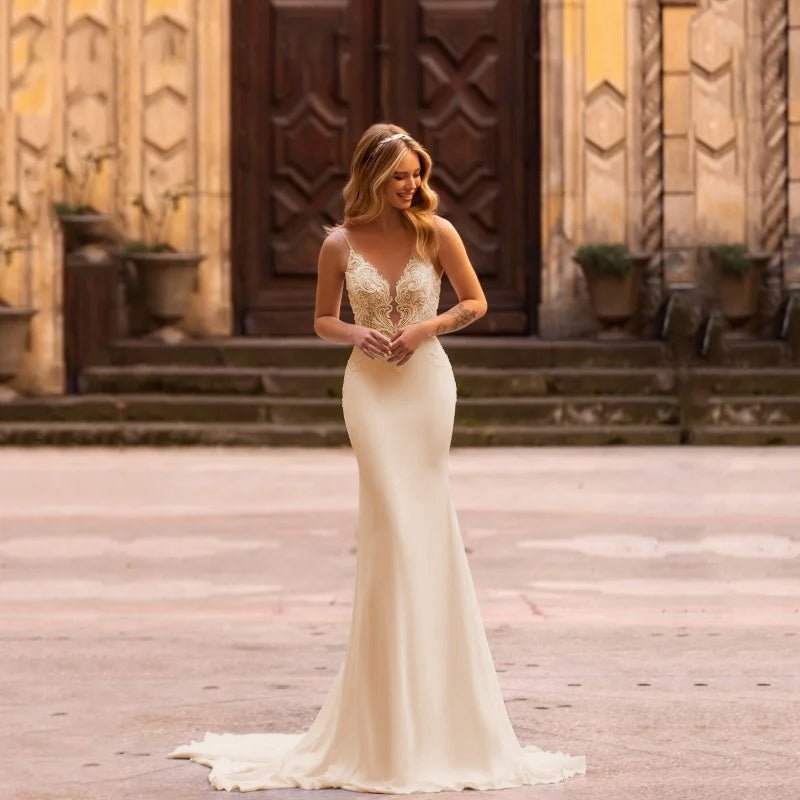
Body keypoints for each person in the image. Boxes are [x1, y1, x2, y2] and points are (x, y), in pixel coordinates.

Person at [167, 123, 587, 793]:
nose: (410, 184)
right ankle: (386, 717)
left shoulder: (436, 233)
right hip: (369, 394)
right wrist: (355, 332)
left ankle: (440, 712)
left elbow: (476, 300)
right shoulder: (338, 244)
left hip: (425, 390)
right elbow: (321, 319)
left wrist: (428, 327)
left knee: (428, 533)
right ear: (370, 175)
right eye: (398, 175)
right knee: (390, 531)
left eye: (416, 173)